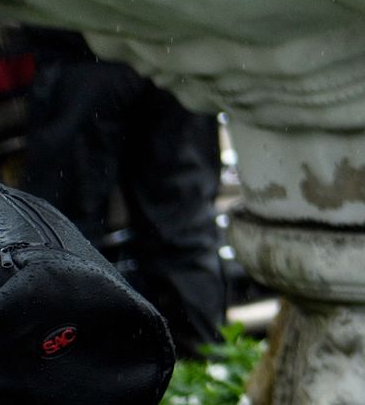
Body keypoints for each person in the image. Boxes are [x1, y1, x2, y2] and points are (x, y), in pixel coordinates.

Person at [19, 28, 228, 357]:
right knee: (183, 226)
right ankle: (205, 371)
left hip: (84, 45)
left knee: (65, 237)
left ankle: (83, 373)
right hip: (168, 45)